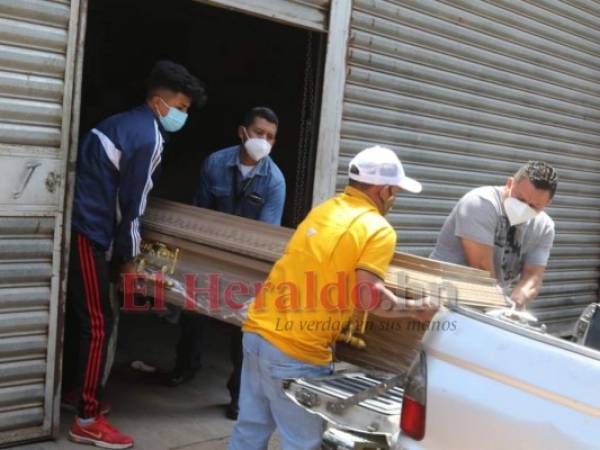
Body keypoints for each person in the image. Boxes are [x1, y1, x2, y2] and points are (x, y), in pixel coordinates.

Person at [228, 146, 438, 450]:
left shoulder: (323, 210)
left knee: (249, 431)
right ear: (385, 189)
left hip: (256, 335)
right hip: (296, 353)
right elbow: (368, 297)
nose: (394, 198)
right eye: (395, 191)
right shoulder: (378, 229)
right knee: (302, 443)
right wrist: (416, 309)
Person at [64, 60, 206, 449]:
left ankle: (78, 393)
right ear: (160, 102)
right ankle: (86, 418)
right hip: (90, 235)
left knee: (84, 318)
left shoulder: (117, 123)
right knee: (99, 324)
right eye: (181, 107)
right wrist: (127, 260)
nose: (182, 115)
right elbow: (133, 206)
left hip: (81, 229)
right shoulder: (149, 137)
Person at [165, 107, 285, 422]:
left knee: (243, 327)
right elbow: (198, 212)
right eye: (259, 133)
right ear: (243, 132)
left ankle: (238, 396)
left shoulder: (274, 182)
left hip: (246, 260)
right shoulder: (216, 164)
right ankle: (185, 367)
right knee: (192, 309)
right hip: (209, 251)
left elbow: (265, 235)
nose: (264, 141)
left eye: (270, 137)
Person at [430, 161, 558, 308]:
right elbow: (481, 269)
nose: (524, 208)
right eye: (520, 199)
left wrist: (516, 303)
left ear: (547, 204)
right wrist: (501, 308)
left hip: (489, 303)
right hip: (441, 301)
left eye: (534, 206)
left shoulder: (544, 227)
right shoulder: (480, 203)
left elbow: (533, 276)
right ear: (510, 184)